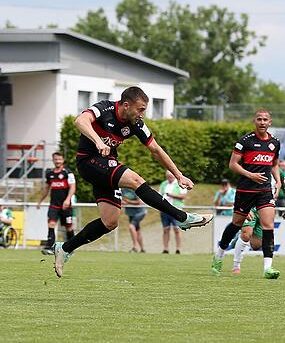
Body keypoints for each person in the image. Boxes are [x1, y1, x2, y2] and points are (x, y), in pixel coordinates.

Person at [52, 86, 211, 278]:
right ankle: (182, 218)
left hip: (106, 166)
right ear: (126, 105)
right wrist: (98, 141)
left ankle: (65, 248)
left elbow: (156, 150)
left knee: (110, 222)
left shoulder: (136, 123)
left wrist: (178, 175)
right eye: (141, 109)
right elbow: (80, 121)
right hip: (88, 162)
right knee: (136, 180)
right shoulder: (105, 109)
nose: (143, 114)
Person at [211, 109, 285, 279]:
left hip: (264, 191)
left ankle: (268, 268)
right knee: (236, 224)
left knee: (268, 226)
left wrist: (277, 181)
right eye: (259, 119)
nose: (262, 122)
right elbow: (233, 164)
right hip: (245, 190)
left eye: (265, 120)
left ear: (270, 122)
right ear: (254, 121)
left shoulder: (275, 143)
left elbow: (274, 164)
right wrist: (250, 175)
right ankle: (219, 254)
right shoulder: (245, 141)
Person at [231, 170, 285, 275]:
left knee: (256, 245)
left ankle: (237, 238)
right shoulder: (256, 167)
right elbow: (242, 188)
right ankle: (236, 266)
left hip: (266, 209)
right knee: (246, 235)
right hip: (251, 206)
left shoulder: (279, 173)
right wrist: (244, 207)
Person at [36, 152, 76, 255]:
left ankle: (71, 247)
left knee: (69, 227)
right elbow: (46, 189)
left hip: (66, 206)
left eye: (59, 159)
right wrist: (40, 201)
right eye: (55, 159)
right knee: (51, 224)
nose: (57, 161)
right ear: (53, 160)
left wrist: (68, 200)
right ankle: (50, 247)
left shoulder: (68, 173)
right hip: (53, 205)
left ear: (63, 160)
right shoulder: (50, 174)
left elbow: (73, 187)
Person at [160, 170, 186, 254]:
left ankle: (178, 248)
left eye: (170, 177)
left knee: (177, 229)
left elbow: (183, 196)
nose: (169, 178)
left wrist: (171, 195)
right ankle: (165, 248)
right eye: (168, 177)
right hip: (165, 210)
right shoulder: (163, 184)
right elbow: (159, 195)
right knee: (165, 229)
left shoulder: (179, 183)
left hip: (176, 210)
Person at [121, 188, 146, 253]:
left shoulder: (133, 189)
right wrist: (123, 202)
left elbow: (139, 202)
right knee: (137, 230)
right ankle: (142, 249)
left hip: (140, 212)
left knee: (131, 227)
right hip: (131, 213)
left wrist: (128, 202)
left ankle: (135, 247)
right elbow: (121, 201)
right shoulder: (121, 189)